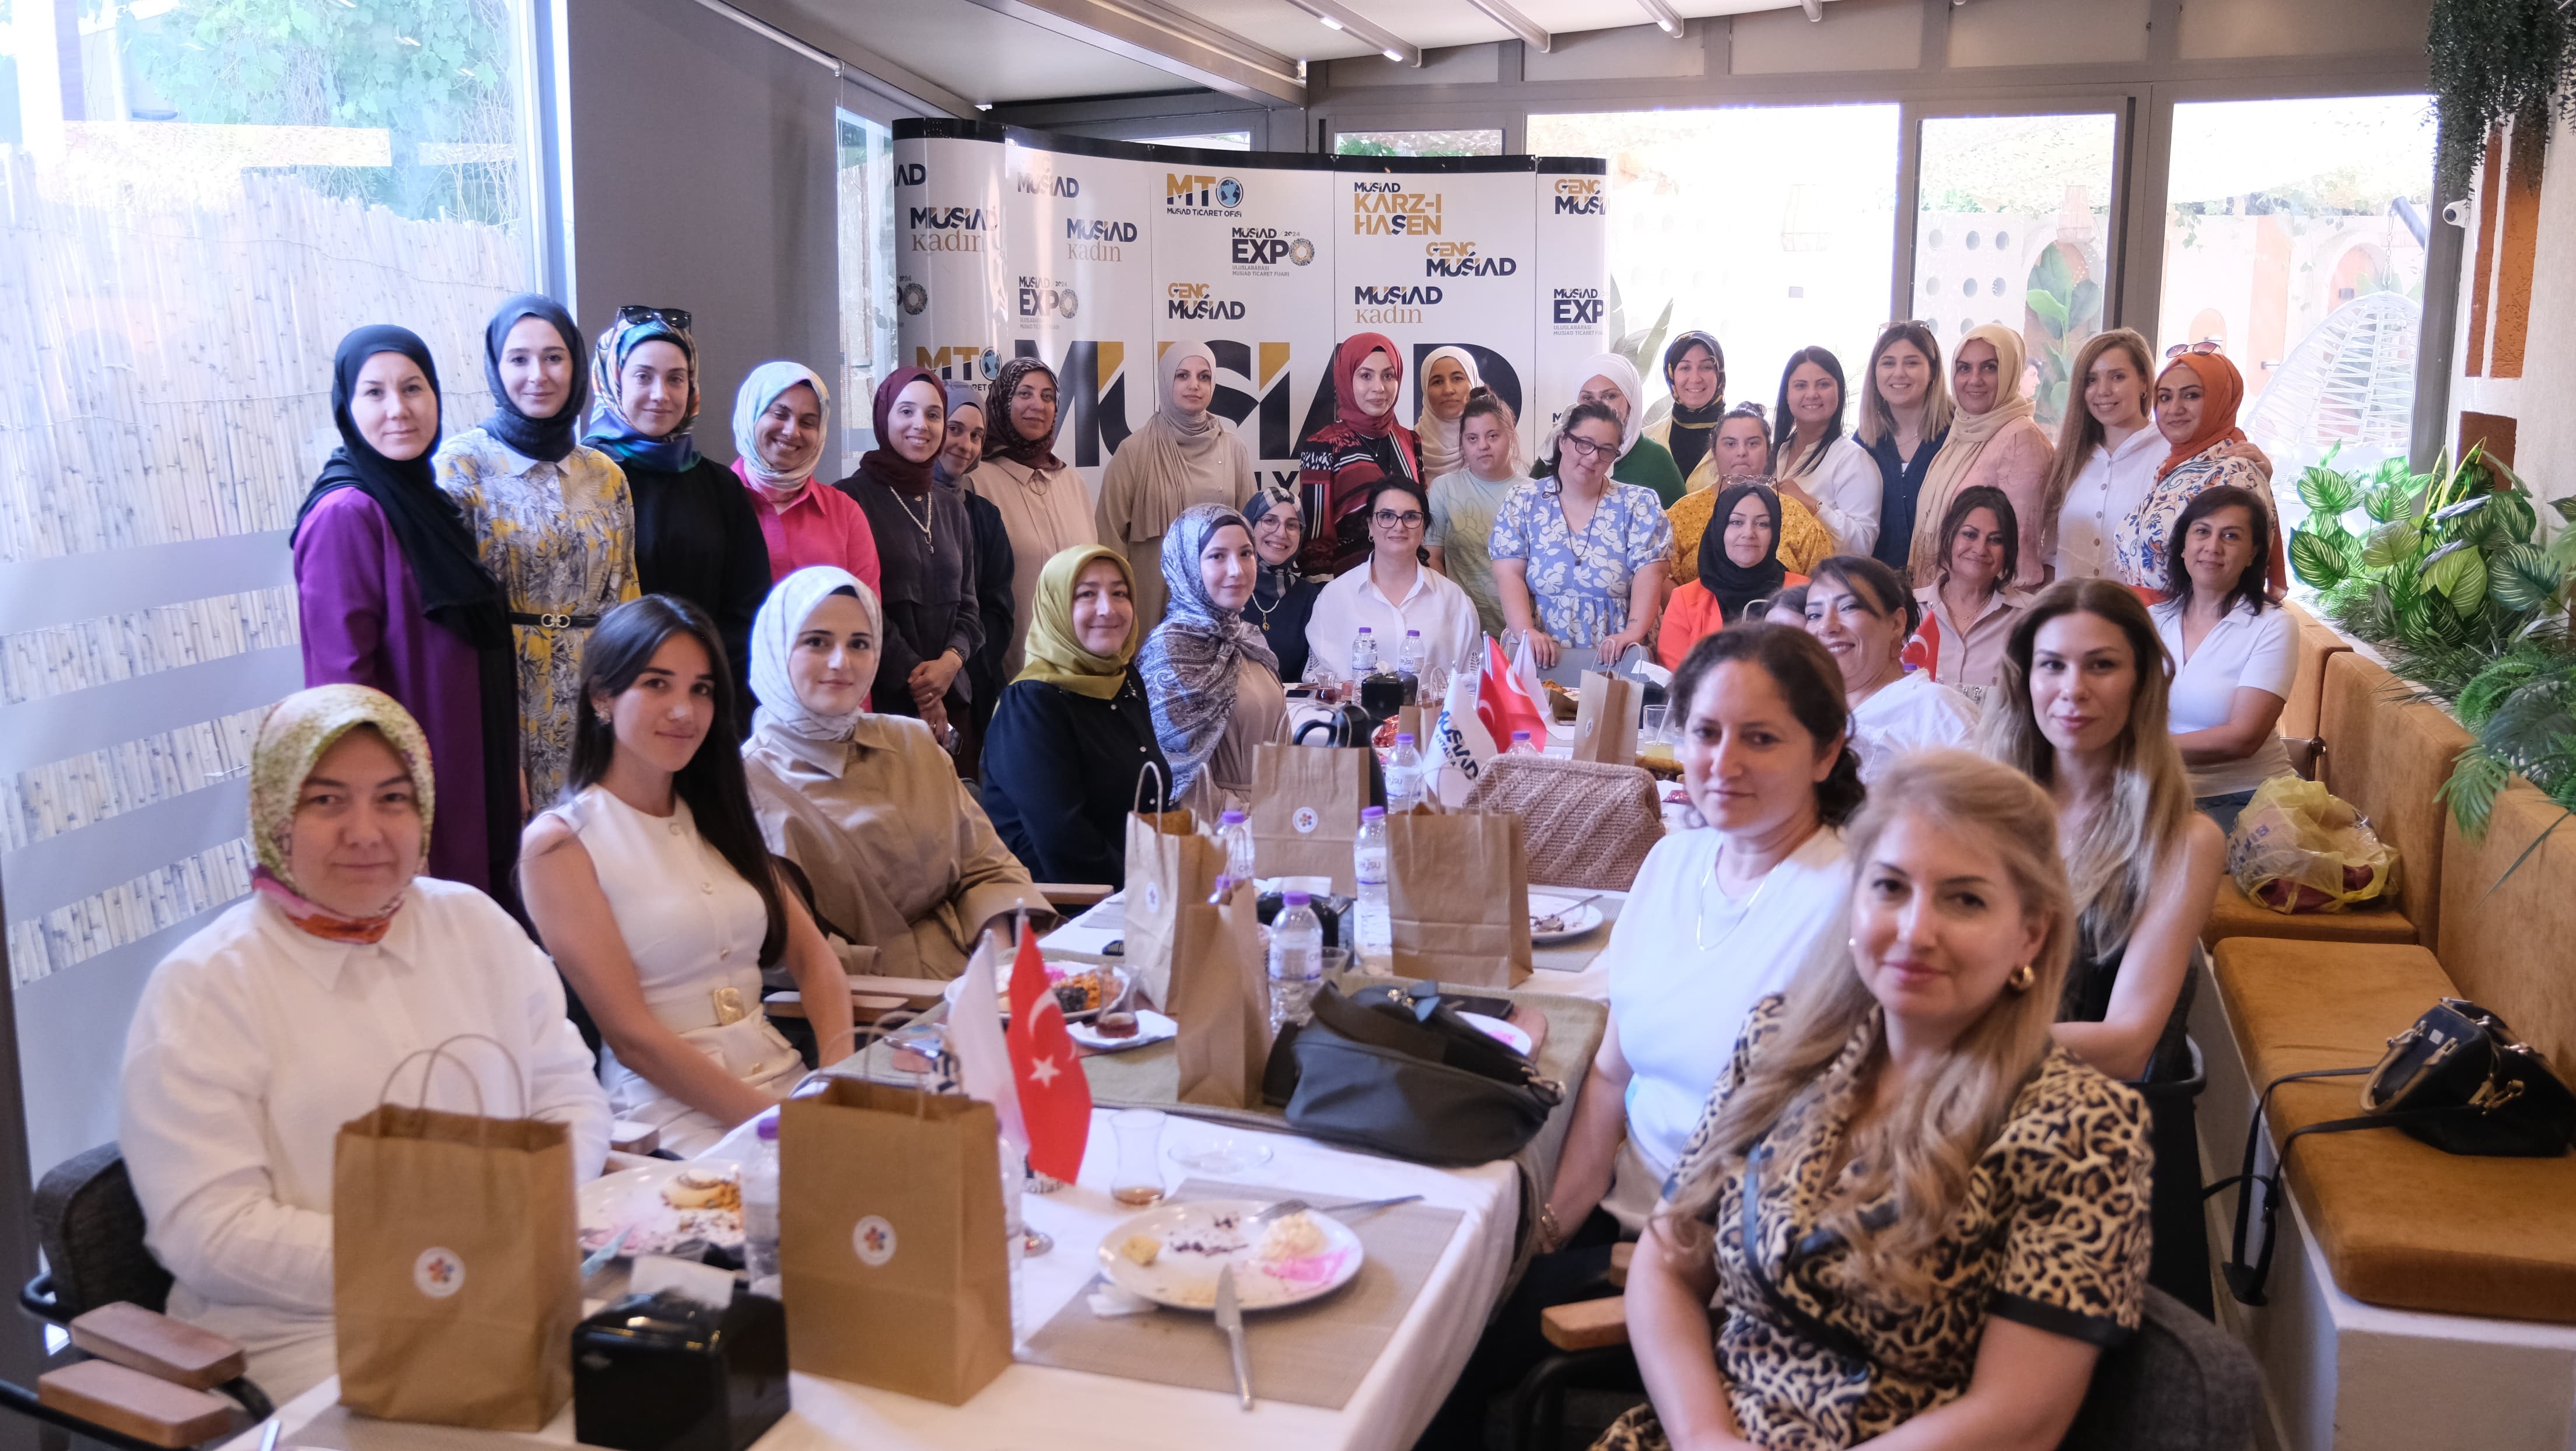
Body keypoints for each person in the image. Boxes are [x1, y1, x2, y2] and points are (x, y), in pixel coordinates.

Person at [1604, 751, 2150, 1451]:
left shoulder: (2084, 1127)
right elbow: (1668, 1262)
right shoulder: (1779, 1043)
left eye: (1965, 900)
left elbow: (2021, 1416)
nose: (1916, 931)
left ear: (2031, 934)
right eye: (1890, 887)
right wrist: (1704, 1434)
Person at [1423, 625, 1860, 1448]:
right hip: (1619, 1220)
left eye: (1761, 739)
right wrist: (1548, 1230)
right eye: (1705, 732)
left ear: (1826, 752)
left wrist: (1642, 1261)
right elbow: (1612, 1078)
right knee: (1432, 1280)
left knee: (1441, 1352)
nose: (1723, 762)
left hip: (1729, 1263)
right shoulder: (1672, 865)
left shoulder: (1854, 904)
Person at [121, 686, 611, 1402]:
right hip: (313, 1339)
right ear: (274, 814)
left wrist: (522, 1227)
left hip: (512, 1290)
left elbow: (569, 1095)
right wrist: (435, 1258)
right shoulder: (206, 986)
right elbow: (207, 1232)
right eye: (326, 801)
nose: (365, 832)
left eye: (392, 798)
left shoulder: (475, 925)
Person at [520, 596, 853, 1156]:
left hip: (788, 1087)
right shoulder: (561, 844)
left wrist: (836, 1081)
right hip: (667, 1123)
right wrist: (781, 1125)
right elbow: (632, 1037)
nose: (684, 711)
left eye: (701, 689)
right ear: (602, 697)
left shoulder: (720, 816)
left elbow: (815, 961)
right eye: (657, 684)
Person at [1980, 579, 2224, 1312]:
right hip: (1975, 1112)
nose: (2072, 689)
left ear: (2143, 682)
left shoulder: (2182, 839)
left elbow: (2127, 1043)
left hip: (2095, 1146)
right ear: (2025, 677)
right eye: (2052, 664)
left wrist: (1948, 1044)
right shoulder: (1988, 809)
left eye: (2102, 665)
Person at [292, 325, 518, 897]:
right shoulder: (347, 515)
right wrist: (381, 823)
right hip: (410, 796)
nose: (399, 409)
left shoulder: (428, 505)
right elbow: (343, 694)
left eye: (413, 388)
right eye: (375, 393)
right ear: (347, 407)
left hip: (466, 773)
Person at [741, 569, 1048, 982]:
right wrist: (926, 992)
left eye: (859, 643)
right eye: (816, 642)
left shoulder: (913, 742)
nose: (841, 662)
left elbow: (988, 869)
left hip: (983, 976)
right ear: (776, 648)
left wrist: (998, 971)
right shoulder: (747, 786)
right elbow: (791, 956)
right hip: (871, 1006)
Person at [437, 295, 638, 812]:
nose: (538, 375)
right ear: (496, 367)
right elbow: (452, 623)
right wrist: (497, 750)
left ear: (575, 364)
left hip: (596, 700)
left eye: (553, 358)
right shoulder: (462, 467)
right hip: (503, 694)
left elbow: (627, 602)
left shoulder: (606, 475)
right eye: (519, 359)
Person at [585, 306, 770, 733]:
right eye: (643, 377)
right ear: (615, 380)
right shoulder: (584, 479)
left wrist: (694, 683)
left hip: (704, 704)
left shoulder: (720, 487)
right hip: (610, 707)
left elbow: (749, 609)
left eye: (675, 379)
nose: (661, 394)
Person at [982, 545, 1172, 888]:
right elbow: (1063, 842)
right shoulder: (1031, 702)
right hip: (1062, 901)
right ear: (1055, 607)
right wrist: (1149, 887)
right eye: (1086, 594)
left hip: (1140, 889)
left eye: (1119, 593)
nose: (1107, 609)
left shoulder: (1124, 680)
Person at [836, 367, 980, 738]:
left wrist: (949, 664)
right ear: (884, 416)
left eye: (933, 415)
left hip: (952, 698)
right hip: (884, 702)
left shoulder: (951, 507)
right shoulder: (849, 499)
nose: (921, 425)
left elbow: (970, 609)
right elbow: (856, 607)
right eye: (906, 411)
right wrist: (921, 684)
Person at [1492, 401, 1672, 675]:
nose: (1592, 457)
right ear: (1563, 441)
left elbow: (1651, 574)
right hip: (1540, 653)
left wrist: (1632, 633)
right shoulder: (1523, 501)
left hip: (1616, 656)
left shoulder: (1639, 504)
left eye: (1606, 450)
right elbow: (1509, 574)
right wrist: (1526, 631)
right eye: (1584, 444)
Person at [2152, 486, 2294, 830]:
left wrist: (2135, 749)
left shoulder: (2272, 624)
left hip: (2248, 799)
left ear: (2252, 554)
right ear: (2183, 546)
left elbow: (2244, 738)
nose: (2213, 547)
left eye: (2231, 536)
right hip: (2160, 791)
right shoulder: (2151, 620)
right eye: (2202, 531)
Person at [1095, 339, 1256, 629]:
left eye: (1204, 377)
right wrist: (1116, 601)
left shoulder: (1234, 449)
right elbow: (1109, 536)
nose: (1194, 385)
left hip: (1218, 596)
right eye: (1182, 375)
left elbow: (1249, 531)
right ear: (1166, 379)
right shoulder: (1134, 451)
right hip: (1151, 597)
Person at [1138, 504, 1287, 813]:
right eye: (1218, 556)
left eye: (1246, 553)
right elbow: (1175, 774)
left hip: (1274, 813)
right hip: (1217, 827)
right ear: (1188, 565)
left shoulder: (1248, 638)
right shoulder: (1170, 651)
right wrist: (1246, 819)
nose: (1237, 570)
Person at [971, 358, 1098, 674]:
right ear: (1003, 401)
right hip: (1008, 670)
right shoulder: (975, 481)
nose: (1038, 405)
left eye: (1047, 396)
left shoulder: (1073, 482)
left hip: (1078, 668)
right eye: (1025, 393)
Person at [2116, 350, 2278, 595]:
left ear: (2219, 400)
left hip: (2193, 619)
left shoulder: (2235, 472)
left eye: (2191, 395)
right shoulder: (2171, 468)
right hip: (2144, 615)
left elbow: (2231, 580)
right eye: (2165, 397)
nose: (2174, 408)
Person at [1804, 555, 1976, 780]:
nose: (1827, 626)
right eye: (1814, 615)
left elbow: (1986, 798)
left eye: (1849, 607)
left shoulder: (1935, 710)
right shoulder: (1804, 710)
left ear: (1896, 623)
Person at [1910, 323, 2053, 588]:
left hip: (1989, 605)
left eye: (1990, 367)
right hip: (1946, 598)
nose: (1974, 380)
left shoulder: (2021, 439)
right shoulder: (1962, 432)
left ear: (2010, 372)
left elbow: (2020, 550)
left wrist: (1997, 612)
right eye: (1964, 368)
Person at [1304, 479, 1483, 684]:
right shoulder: (1335, 596)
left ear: (1424, 527)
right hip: (1352, 706)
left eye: (1410, 517)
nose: (1399, 526)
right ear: (1370, 526)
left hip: (1432, 707)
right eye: (1387, 516)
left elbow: (1472, 683)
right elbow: (1317, 683)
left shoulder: (1454, 599)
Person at [732, 362, 882, 594]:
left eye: (807, 423)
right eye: (780, 414)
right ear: (751, 414)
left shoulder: (845, 514)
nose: (792, 431)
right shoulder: (711, 502)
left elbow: (864, 610)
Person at [937, 381, 1019, 767]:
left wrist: (958, 666)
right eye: (954, 429)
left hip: (974, 688)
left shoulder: (984, 515)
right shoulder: (892, 503)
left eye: (976, 436)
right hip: (908, 685)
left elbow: (997, 609)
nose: (965, 445)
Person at [2043, 328, 2162, 585]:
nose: (2103, 390)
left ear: (2144, 383)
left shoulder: (2169, 453)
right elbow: (2052, 558)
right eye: (2091, 380)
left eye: (2117, 377)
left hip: (2140, 609)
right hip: (2070, 607)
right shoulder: (2070, 457)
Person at [1665, 402, 1831, 587]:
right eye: (1730, 444)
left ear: (1768, 451)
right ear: (1714, 452)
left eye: (1753, 444)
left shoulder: (1796, 516)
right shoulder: (1682, 514)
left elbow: (1825, 585)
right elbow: (1661, 578)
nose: (1742, 452)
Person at [1296, 333, 1420, 577]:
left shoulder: (1410, 440)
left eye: (1388, 376)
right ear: (1346, 379)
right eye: (1366, 376)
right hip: (1348, 583)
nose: (1379, 388)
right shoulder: (1323, 445)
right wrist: (1323, 590)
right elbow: (1315, 538)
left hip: (1408, 581)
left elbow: (1419, 517)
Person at [1656, 483, 1806, 670]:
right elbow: (1675, 678)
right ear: (1719, 529)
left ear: (1775, 532)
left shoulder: (1802, 592)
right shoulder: (1685, 600)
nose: (1749, 533)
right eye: (1736, 522)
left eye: (1762, 524)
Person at [1907, 485, 2027, 709]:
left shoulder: (2029, 618)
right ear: (1948, 536)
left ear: (2008, 551)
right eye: (1970, 535)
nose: (1981, 549)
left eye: (1996, 540)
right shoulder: (1907, 610)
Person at [1425, 388, 1530, 637]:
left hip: (1523, 629)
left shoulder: (1534, 493)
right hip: (1462, 626)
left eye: (1493, 436)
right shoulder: (1444, 488)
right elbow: (1432, 558)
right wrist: (1452, 611)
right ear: (1462, 442)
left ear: (1511, 435)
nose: (1483, 446)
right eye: (1472, 438)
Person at [1855, 321, 1952, 581]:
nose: (1899, 373)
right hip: (1879, 588)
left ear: (1933, 371)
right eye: (1888, 363)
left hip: (1945, 586)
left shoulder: (1959, 435)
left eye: (1912, 363)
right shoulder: (1864, 442)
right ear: (1875, 374)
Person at [1770, 345, 1882, 559]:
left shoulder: (1853, 460)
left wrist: (1812, 505)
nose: (1812, 394)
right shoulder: (1775, 452)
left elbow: (1862, 546)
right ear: (1787, 395)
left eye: (1823, 384)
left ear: (1839, 392)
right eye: (1801, 385)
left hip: (1821, 578)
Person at [1540, 352, 1688, 506]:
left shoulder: (1657, 462)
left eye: (1610, 396)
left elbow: (1680, 519)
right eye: (1588, 398)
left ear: (1631, 401)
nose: (1599, 405)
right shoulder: (1556, 452)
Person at [1242, 485, 1325, 682]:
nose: (1281, 533)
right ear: (1249, 527)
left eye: (1292, 525)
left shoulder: (1310, 598)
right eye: (1270, 521)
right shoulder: (1226, 588)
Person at [1644, 331, 1726, 490]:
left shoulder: (1743, 444)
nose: (1695, 378)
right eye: (1685, 368)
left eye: (1706, 367)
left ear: (1719, 374)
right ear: (1671, 375)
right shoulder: (1646, 440)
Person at [1412, 344, 1483, 483]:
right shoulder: (1408, 446)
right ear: (1425, 389)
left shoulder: (1495, 446)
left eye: (1457, 379)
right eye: (1437, 382)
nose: (1448, 390)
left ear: (1473, 382)